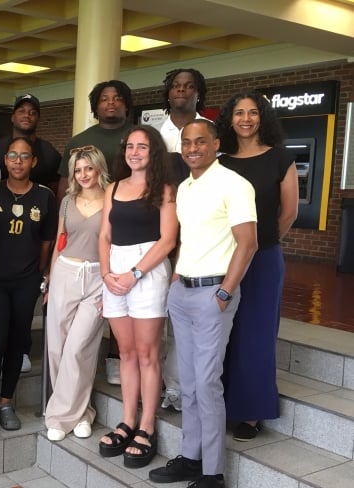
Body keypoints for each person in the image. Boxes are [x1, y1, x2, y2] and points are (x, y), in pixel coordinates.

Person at [149, 119, 257, 488]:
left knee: (207, 383)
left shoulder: (235, 184)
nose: (192, 148)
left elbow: (248, 243)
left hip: (215, 295)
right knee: (189, 383)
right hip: (184, 293)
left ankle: (213, 473)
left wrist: (225, 291)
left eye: (200, 141)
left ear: (216, 144)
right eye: (186, 142)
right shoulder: (185, 187)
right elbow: (188, 238)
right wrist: (178, 277)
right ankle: (191, 458)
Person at [216, 91, 299, 441]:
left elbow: (289, 211)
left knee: (256, 334)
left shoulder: (280, 159)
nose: (246, 119)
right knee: (223, 333)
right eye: (239, 112)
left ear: (262, 117)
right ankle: (222, 405)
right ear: (229, 119)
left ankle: (250, 413)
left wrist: (260, 244)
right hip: (223, 258)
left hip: (263, 259)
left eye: (252, 112)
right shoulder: (220, 162)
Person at [97, 126, 178, 469]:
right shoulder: (113, 187)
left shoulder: (164, 189)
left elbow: (167, 240)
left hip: (147, 272)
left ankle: (148, 426)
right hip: (114, 272)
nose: (134, 152)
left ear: (153, 151)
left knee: (147, 354)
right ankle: (128, 420)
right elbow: (104, 235)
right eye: (130, 146)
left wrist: (135, 274)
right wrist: (106, 274)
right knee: (126, 352)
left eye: (142, 146)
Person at [0, 136, 57, 437]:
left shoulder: (45, 197)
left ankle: (6, 403)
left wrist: (41, 273)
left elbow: (47, 242)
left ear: (34, 162)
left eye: (24, 156)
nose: (18, 161)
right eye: (12, 156)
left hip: (26, 282)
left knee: (17, 344)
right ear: (5, 161)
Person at [57, 79, 134, 385]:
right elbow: (66, 188)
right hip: (87, 231)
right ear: (96, 105)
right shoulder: (81, 139)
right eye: (104, 98)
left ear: (126, 103)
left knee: (120, 293)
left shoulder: (136, 138)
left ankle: (117, 356)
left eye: (117, 98)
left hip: (127, 226)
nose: (111, 103)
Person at [44, 145, 109, 441]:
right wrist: (51, 277)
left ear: (98, 169)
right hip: (65, 274)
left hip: (97, 277)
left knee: (79, 348)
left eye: (88, 168)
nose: (83, 175)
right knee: (57, 347)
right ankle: (81, 414)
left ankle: (59, 417)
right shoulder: (68, 201)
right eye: (78, 170)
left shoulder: (112, 200)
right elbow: (60, 240)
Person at [0, 93, 62, 372]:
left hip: (35, 230)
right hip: (1, 232)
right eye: (21, 110)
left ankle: (21, 349)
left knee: (24, 305)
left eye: (32, 111)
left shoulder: (49, 152)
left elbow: (55, 193)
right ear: (13, 116)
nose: (26, 115)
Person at [157, 68, 208, 411]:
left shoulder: (208, 131)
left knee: (182, 315)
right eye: (176, 85)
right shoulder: (155, 131)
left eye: (188, 86)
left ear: (197, 94)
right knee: (156, 309)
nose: (181, 91)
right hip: (158, 229)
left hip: (194, 232)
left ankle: (176, 385)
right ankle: (156, 379)